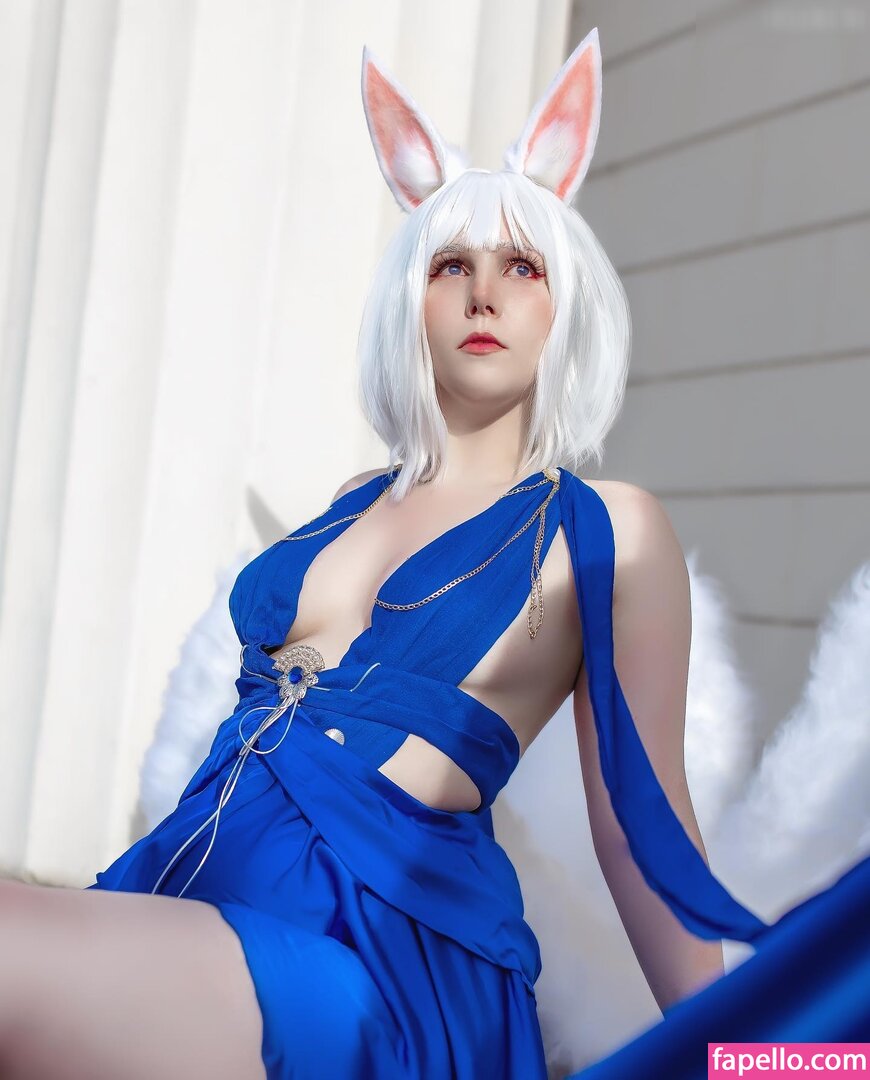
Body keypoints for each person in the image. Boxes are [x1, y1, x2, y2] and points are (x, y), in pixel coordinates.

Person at [2, 27, 864, 1079]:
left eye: (522, 266)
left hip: (370, 960)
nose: (483, 293)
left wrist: (749, 1057)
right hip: (184, 894)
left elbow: (640, 833)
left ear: (566, 303)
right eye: (452, 263)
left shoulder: (606, 527)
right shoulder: (349, 503)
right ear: (409, 296)